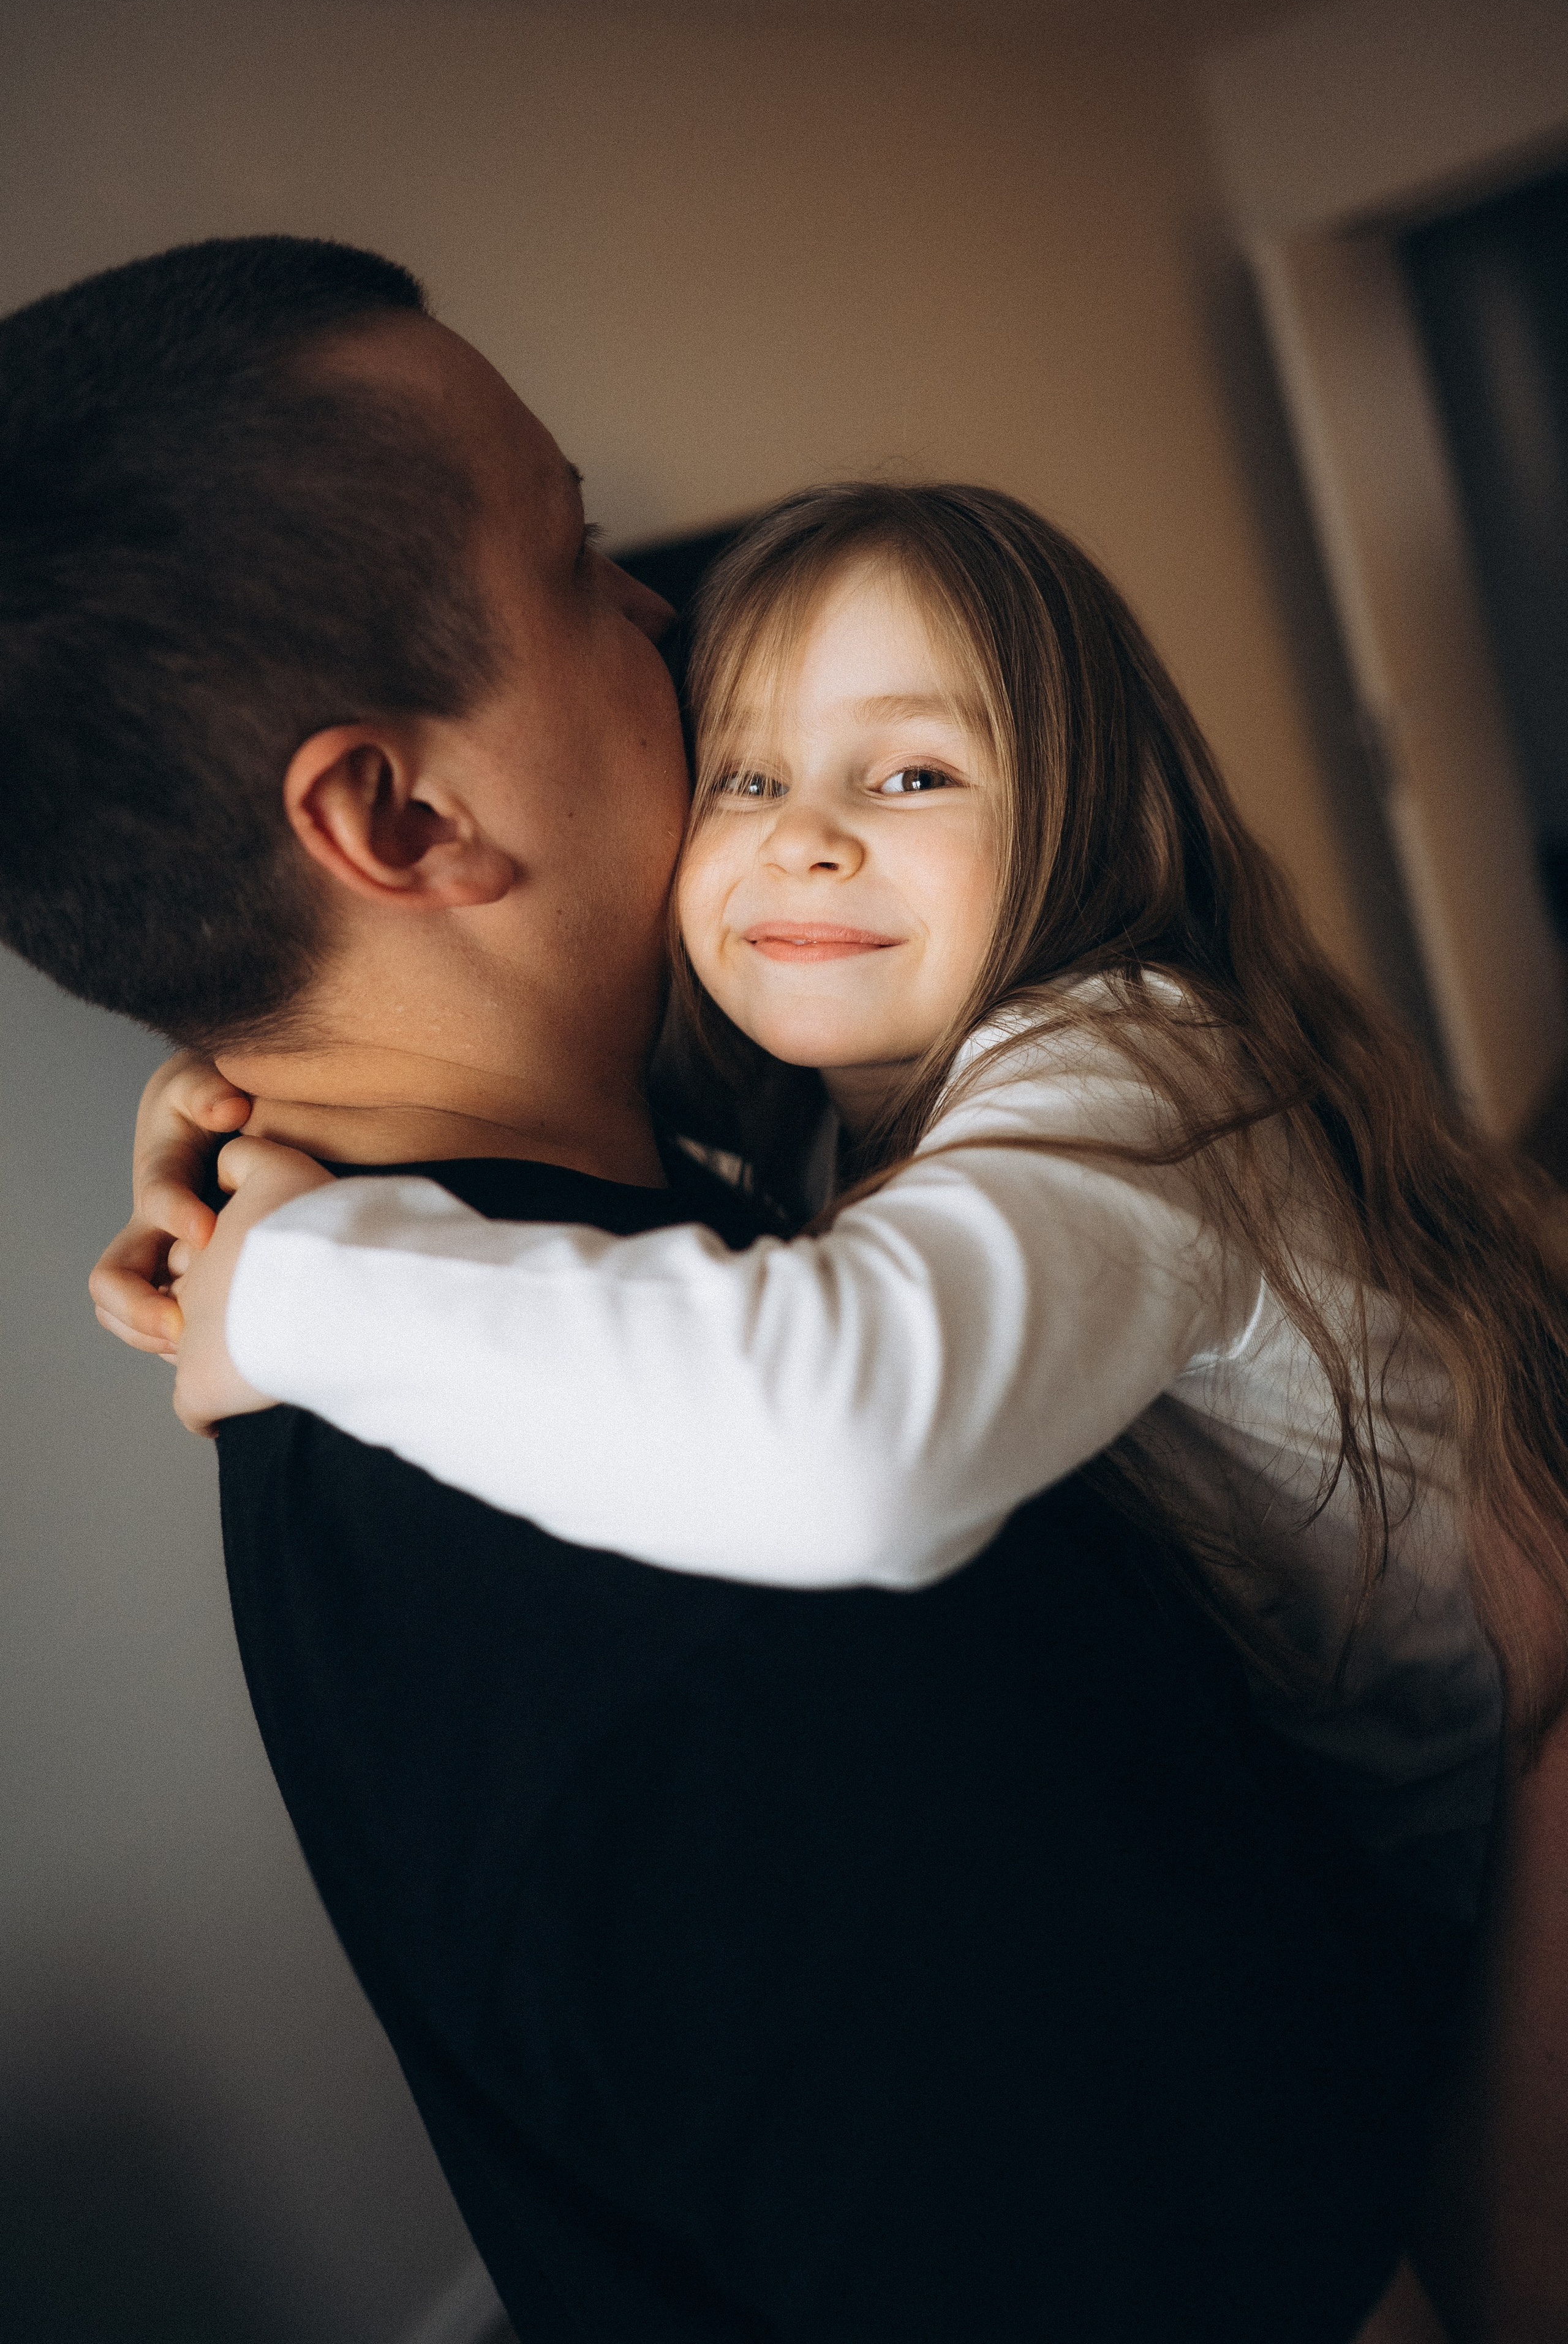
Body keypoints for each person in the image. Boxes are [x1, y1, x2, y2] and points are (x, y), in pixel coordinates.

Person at [2, 234, 1472, 2340]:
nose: (660, 615)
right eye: (582, 557)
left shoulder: (483, 1285)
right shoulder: (725, 1599)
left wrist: (264, 1182)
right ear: (399, 815)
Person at [153, 483, 1568, 1950]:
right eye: (745, 780)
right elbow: (429, 1045)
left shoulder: (1124, 1072)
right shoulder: (831, 1090)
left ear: (1084, 820)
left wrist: (291, 1290)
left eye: (909, 778)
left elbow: (850, 1441)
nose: (807, 840)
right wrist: (233, 1100)